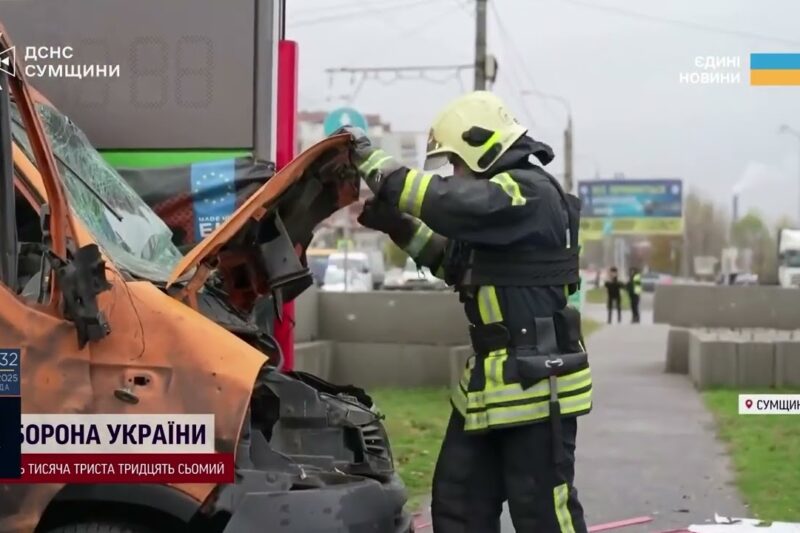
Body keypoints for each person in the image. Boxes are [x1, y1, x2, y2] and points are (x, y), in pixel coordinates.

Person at [333, 91, 592, 533]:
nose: (453, 173)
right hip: (490, 390)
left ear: (482, 145)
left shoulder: (526, 192)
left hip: (535, 386)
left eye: (455, 162)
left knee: (543, 514)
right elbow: (452, 263)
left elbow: (449, 202)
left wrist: (374, 163)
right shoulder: (497, 215)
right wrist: (397, 225)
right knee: (457, 507)